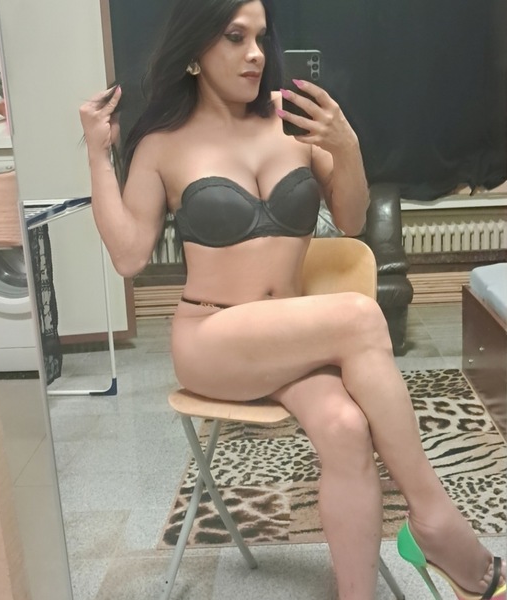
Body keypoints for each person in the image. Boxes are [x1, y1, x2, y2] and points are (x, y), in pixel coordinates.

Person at [79, 0, 506, 598]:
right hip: (212, 340)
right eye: (234, 37)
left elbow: (351, 220)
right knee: (360, 315)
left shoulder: (294, 124)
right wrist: (97, 154)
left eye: (260, 37)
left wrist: (346, 145)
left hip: (284, 343)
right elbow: (128, 256)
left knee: (346, 426)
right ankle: (434, 518)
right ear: (195, 52)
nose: (255, 53)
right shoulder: (163, 145)